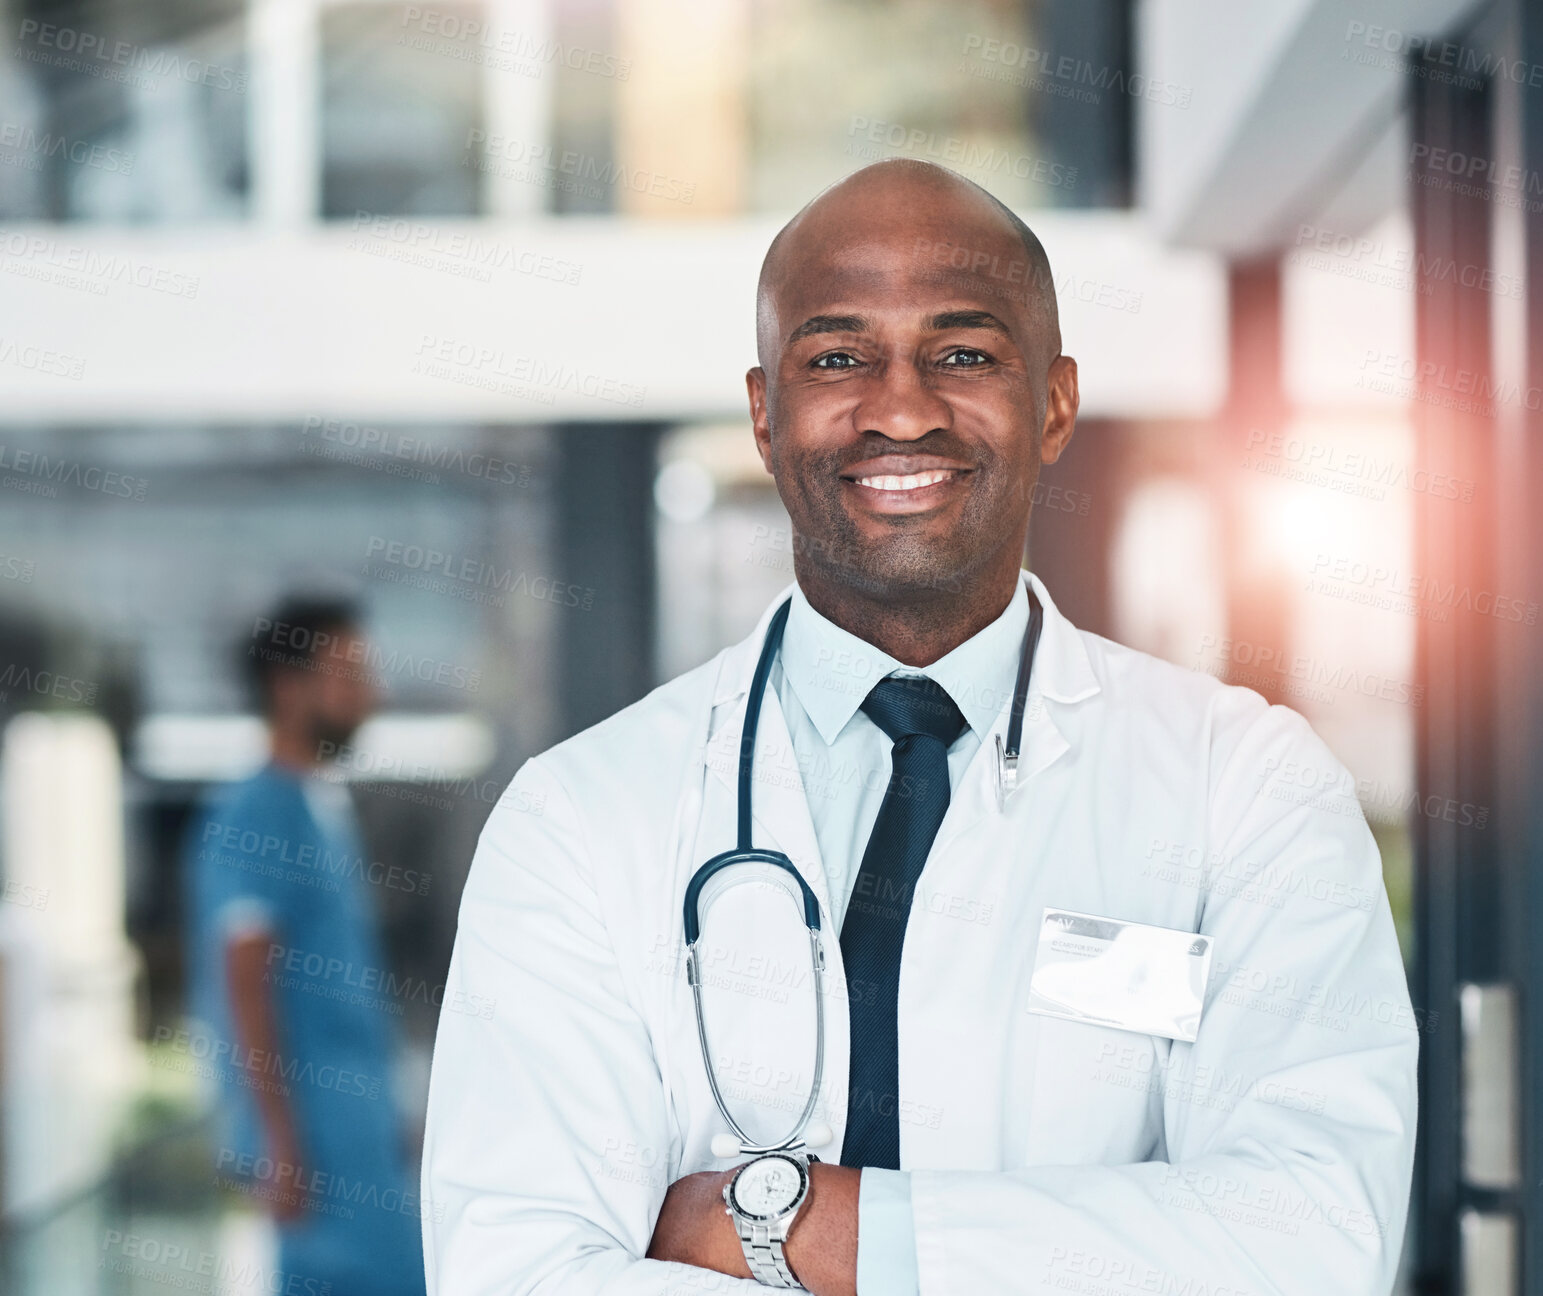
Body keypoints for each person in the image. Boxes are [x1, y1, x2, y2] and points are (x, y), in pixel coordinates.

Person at [421, 161, 1417, 1296]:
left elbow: (1312, 1240)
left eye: (963, 354)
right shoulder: (581, 818)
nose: (900, 408)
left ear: (1052, 404)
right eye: (837, 358)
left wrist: (800, 1228)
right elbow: (514, 1272)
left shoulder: (1246, 786)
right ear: (764, 414)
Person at [183, 594, 428, 1296]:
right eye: (347, 673)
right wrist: (278, 1143)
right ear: (287, 688)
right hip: (318, 1146)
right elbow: (243, 977)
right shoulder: (256, 812)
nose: (371, 694)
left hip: (359, 1130)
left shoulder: (317, 803)